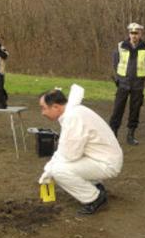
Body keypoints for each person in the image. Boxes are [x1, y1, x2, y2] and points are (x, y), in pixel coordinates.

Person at [38, 85, 123, 215]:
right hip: (102, 157)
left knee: (58, 171)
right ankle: (95, 185)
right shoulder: (75, 112)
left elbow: (70, 155)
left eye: (43, 108)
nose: (42, 113)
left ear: (55, 106)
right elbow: (65, 150)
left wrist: (49, 170)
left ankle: (94, 198)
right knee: (58, 166)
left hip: (106, 163)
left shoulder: (73, 118)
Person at [109, 22, 145, 145]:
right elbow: (115, 62)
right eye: (132, 33)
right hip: (123, 83)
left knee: (135, 110)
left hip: (137, 85)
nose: (134, 35)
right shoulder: (120, 46)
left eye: (136, 33)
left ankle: (131, 135)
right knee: (118, 109)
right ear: (129, 33)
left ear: (140, 34)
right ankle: (113, 133)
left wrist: (141, 76)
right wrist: (120, 77)